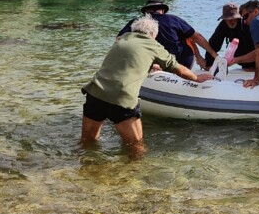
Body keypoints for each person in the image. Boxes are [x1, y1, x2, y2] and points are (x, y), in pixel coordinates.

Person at [82, 15, 212, 150]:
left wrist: (150, 65)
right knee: (136, 147)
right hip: (122, 98)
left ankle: (88, 168)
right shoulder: (153, 45)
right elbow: (179, 70)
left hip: (95, 92)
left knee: (87, 142)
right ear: (152, 34)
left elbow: (128, 61)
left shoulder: (122, 39)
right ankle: (135, 171)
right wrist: (197, 78)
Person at [118, 0, 217, 69]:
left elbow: (119, 39)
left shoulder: (138, 22)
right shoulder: (173, 19)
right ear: (162, 10)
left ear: (146, 11)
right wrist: (212, 54)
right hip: (182, 62)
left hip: (152, 62)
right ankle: (200, 62)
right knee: (187, 35)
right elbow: (197, 37)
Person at [206, 2, 256, 71]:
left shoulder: (246, 24)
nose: (230, 21)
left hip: (256, 58)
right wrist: (209, 64)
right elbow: (213, 44)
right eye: (227, 19)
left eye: (233, 18)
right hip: (242, 62)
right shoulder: (223, 25)